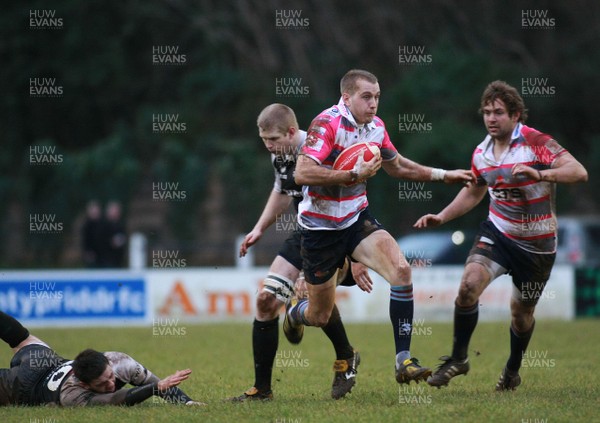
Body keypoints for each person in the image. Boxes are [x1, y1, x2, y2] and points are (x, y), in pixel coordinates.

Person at [286, 69, 475, 385]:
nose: (373, 104)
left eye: (376, 97)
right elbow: (303, 173)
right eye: (366, 97)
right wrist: (350, 175)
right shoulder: (326, 124)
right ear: (346, 97)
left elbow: (398, 166)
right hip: (319, 229)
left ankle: (404, 360)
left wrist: (445, 175)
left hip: (357, 219)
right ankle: (295, 313)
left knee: (401, 271)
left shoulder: (376, 127)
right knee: (319, 315)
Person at [414, 80, 588, 390]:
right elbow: (474, 191)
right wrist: (441, 216)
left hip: (537, 244)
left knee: (521, 315)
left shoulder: (537, 143)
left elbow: (578, 172)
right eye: (486, 113)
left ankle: (512, 369)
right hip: (499, 233)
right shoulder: (482, 153)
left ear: (516, 115)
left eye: (498, 113)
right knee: (468, 286)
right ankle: (458, 359)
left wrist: (542, 174)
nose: (491, 119)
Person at [231, 104, 373, 402]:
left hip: (337, 236)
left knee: (316, 307)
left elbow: (353, 202)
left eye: (272, 139)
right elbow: (282, 191)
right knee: (266, 300)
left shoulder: (325, 150)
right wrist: (259, 228)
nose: (268, 146)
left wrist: (356, 256)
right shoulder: (280, 157)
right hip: (306, 235)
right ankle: (262, 390)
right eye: (264, 140)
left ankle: (345, 358)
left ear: (293, 132)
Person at [0, 311, 203, 406]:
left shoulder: (120, 362)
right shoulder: (72, 395)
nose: (111, 382)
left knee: (21, 337)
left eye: (109, 375)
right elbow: (115, 399)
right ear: (85, 384)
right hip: (22, 387)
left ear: (108, 362)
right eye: (102, 383)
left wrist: (187, 403)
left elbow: (161, 384)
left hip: (47, 360)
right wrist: (155, 388)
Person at [81, 200, 105, 268]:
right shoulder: (86, 226)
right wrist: (87, 253)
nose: (95, 212)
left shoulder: (104, 225)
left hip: (103, 258)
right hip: (91, 258)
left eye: (96, 210)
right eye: (93, 210)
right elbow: (85, 242)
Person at [104, 201, 127, 268]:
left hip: (118, 260)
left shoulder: (121, 225)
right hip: (106, 260)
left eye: (117, 211)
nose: (116, 213)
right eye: (114, 211)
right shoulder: (103, 225)